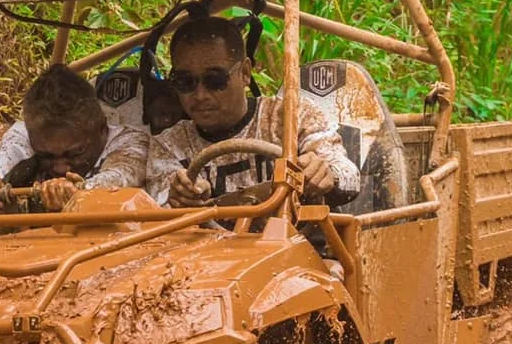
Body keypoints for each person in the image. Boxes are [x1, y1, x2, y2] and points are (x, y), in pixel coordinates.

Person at [146, 16, 359, 207]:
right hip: (212, 249)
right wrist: (181, 195)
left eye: (215, 80)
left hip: (301, 243)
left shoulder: (291, 116)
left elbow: (348, 173)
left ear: (245, 73)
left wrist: (326, 173)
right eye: (185, 81)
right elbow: (160, 198)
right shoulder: (169, 145)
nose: (200, 95)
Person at [0, 64, 148, 211]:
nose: (60, 168)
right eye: (46, 156)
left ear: (101, 128)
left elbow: (121, 176)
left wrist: (78, 190)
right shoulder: (23, 133)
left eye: (75, 153)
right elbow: (3, 159)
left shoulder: (130, 140)